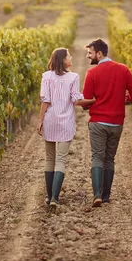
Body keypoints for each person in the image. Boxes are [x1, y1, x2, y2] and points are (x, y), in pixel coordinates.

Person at [82, 38, 132, 207]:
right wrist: (126, 99)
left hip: (98, 122)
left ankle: (97, 195)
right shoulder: (123, 69)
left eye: (90, 53)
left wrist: (86, 107)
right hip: (116, 123)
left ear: (99, 54)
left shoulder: (92, 73)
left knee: (97, 158)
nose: (88, 56)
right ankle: (106, 196)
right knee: (109, 159)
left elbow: (87, 99)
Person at [37, 48, 95, 209]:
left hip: (50, 121)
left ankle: (49, 197)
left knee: (49, 159)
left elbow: (45, 100)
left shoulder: (46, 76)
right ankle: (55, 198)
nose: (71, 58)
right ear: (63, 60)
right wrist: (94, 100)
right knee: (61, 160)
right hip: (65, 123)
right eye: (69, 56)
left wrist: (40, 120)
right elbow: (76, 99)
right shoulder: (73, 77)